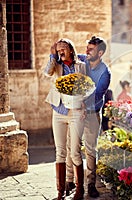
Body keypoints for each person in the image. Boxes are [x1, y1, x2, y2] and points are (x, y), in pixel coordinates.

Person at [65, 36, 111, 198]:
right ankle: (69, 181)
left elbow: (98, 94)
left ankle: (90, 184)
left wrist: (85, 105)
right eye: (87, 48)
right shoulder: (81, 60)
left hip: (92, 114)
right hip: (76, 111)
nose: (86, 51)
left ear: (100, 53)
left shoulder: (105, 72)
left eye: (90, 49)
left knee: (91, 150)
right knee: (71, 147)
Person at [44, 38, 86, 200]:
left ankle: (80, 190)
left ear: (70, 50)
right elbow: (47, 72)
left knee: (75, 152)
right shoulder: (56, 65)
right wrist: (52, 55)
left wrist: (85, 107)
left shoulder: (81, 66)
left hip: (76, 112)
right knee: (59, 152)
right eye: (58, 49)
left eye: (63, 48)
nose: (61, 51)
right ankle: (60, 191)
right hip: (59, 111)